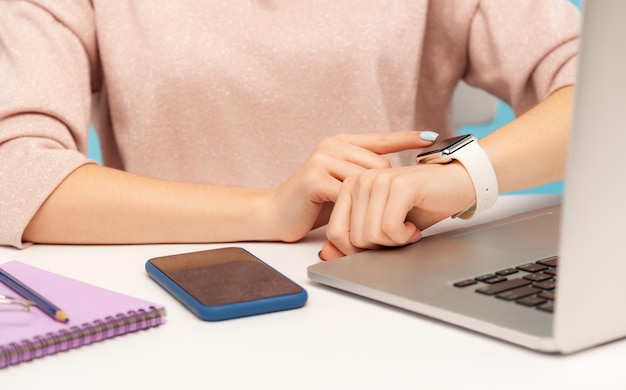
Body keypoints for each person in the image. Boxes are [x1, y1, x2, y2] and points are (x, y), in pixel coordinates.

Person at [0, 1, 580, 255]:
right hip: (176, 304)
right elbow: (13, 170)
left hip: (393, 283)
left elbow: (607, 90)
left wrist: (463, 175)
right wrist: (268, 211)